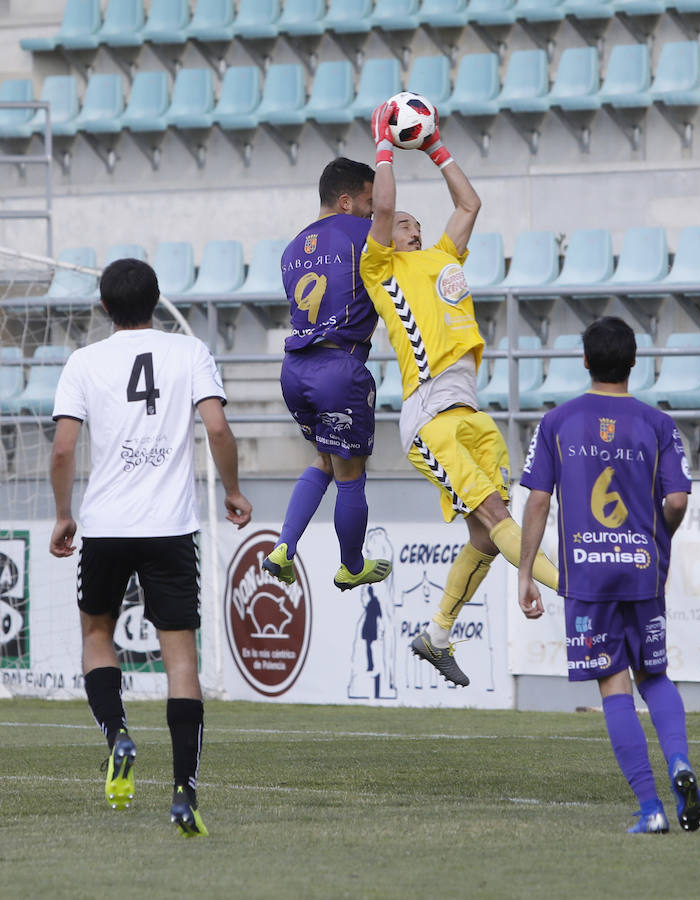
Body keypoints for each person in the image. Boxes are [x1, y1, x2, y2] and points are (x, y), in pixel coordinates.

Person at [49, 257, 252, 837]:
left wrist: (65, 515)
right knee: (180, 659)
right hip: (170, 526)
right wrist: (233, 490)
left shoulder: (83, 361)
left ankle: (117, 735)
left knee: (96, 635)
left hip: (106, 525)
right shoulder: (189, 351)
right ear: (158, 300)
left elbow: (64, 450)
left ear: (105, 308)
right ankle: (184, 793)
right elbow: (216, 429)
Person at [359, 100, 559, 688]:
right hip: (429, 415)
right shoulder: (382, 269)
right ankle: (576, 585)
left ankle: (438, 634)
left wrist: (438, 148)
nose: (412, 227)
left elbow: (469, 204)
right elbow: (386, 204)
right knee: (498, 515)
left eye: (417, 224)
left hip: (470, 407)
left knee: (485, 535)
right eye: (403, 223)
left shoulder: (442, 256)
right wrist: (386, 147)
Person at [517, 315, 700, 834]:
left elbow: (537, 500)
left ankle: (651, 809)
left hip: (589, 575)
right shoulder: (657, 423)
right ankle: (681, 765)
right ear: (634, 363)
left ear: (584, 360)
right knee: (655, 675)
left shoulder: (556, 423)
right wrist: (658, 542)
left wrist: (526, 573)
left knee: (613, 683)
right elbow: (677, 499)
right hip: (641, 569)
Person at [263, 157, 391, 592]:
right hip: (339, 368)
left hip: (295, 370)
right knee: (351, 471)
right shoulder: (361, 233)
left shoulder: (290, 249)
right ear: (345, 200)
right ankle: (351, 565)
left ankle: (284, 546)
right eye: (369, 203)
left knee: (323, 459)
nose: (374, 212)